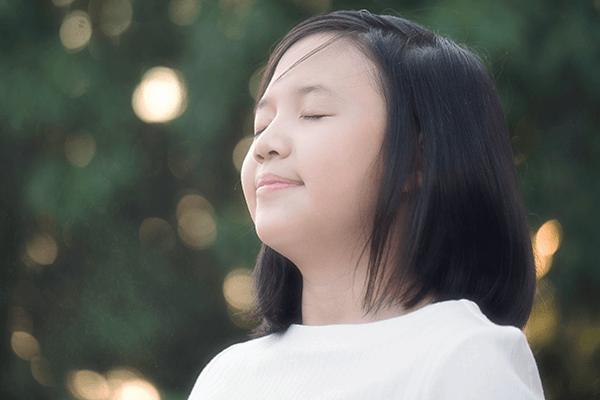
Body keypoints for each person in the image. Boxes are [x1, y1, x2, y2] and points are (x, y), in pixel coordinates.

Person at [188, 9, 545, 400]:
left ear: (417, 159)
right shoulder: (226, 379)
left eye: (313, 114)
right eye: (261, 125)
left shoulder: (462, 357)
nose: (264, 145)